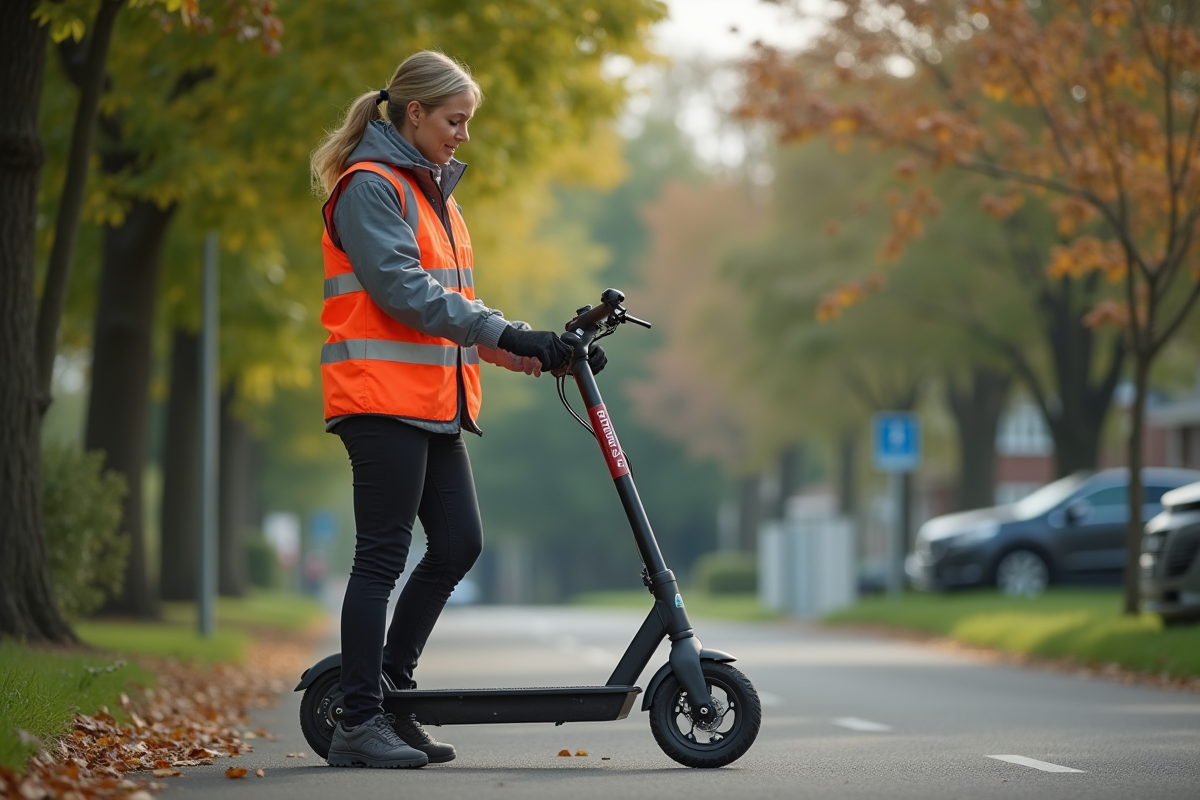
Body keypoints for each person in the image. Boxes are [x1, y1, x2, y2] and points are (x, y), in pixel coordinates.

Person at [310, 51, 605, 769]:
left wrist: (535, 350)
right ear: (414, 113)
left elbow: (454, 312)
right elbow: (404, 292)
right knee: (380, 557)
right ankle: (359, 718)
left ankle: (392, 694)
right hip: (381, 402)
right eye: (455, 120)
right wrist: (503, 333)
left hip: (432, 403)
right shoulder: (370, 187)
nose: (463, 134)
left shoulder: (437, 196)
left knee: (459, 544)